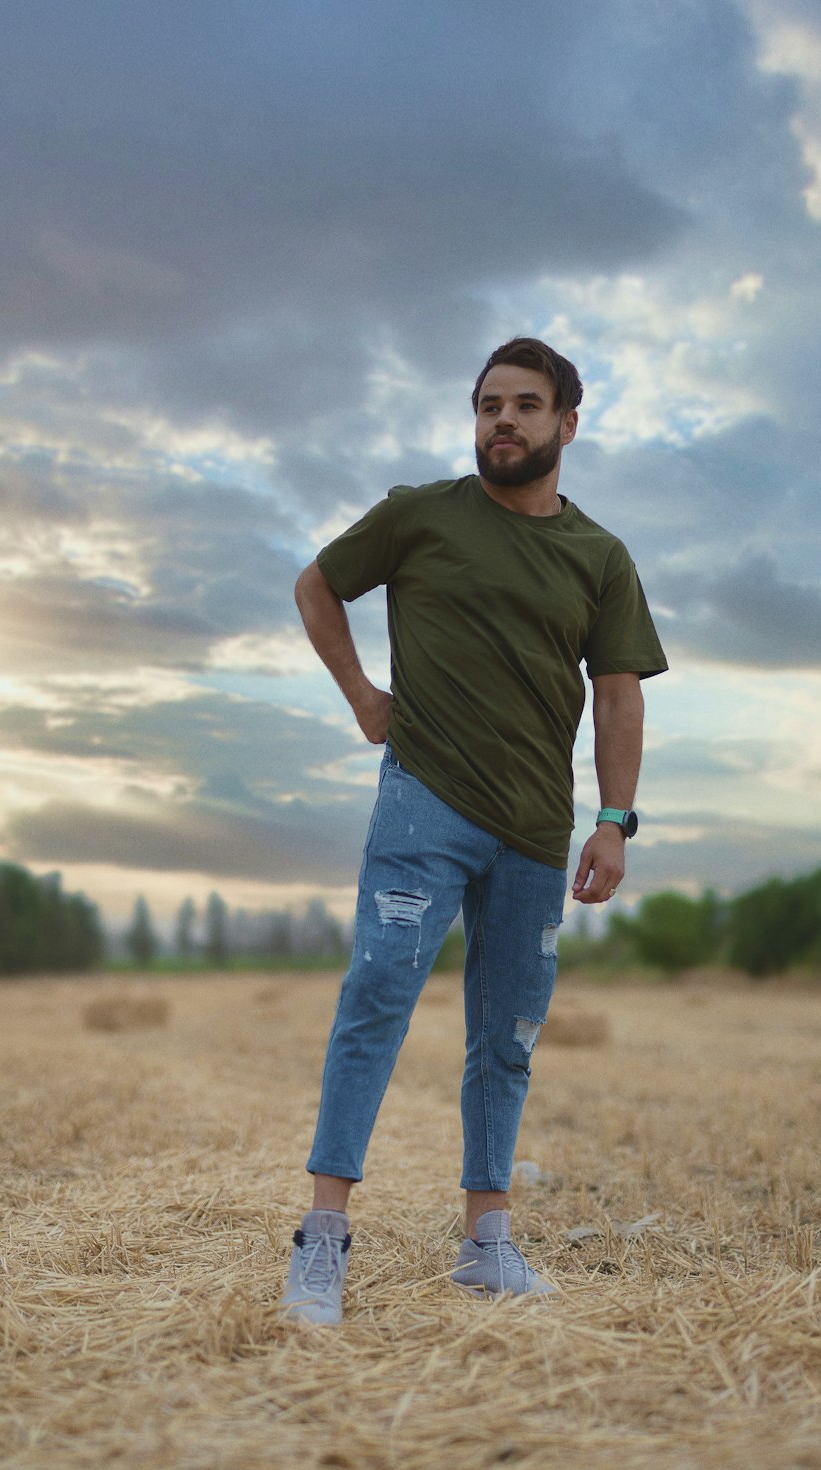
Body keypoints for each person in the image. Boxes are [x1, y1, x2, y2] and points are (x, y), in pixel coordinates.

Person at [279, 337, 667, 1323]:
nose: (505, 420)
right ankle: (322, 1240)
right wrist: (364, 694)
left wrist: (615, 821)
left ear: (566, 425)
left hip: (538, 831)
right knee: (377, 996)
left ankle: (485, 1245)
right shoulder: (420, 515)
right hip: (425, 804)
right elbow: (316, 585)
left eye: (527, 406)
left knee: (508, 1037)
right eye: (490, 404)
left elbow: (618, 698)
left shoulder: (599, 557)